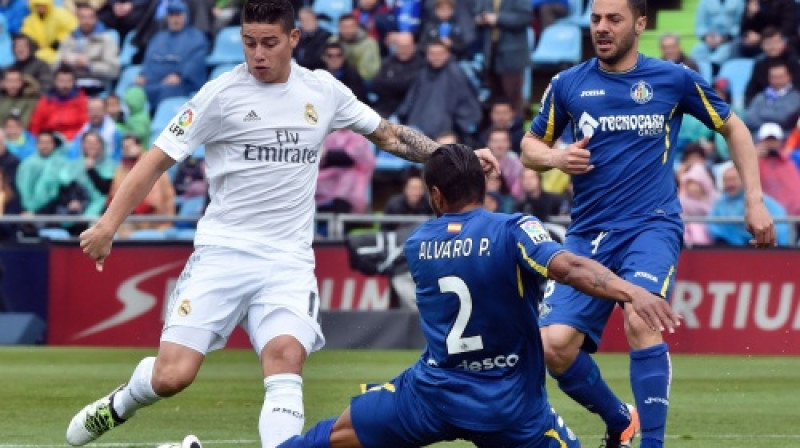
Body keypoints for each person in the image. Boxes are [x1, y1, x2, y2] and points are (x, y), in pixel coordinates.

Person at [65, 2, 499, 448]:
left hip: (286, 260)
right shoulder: (220, 95)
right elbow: (155, 160)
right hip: (223, 253)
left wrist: (457, 155)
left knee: (286, 358)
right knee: (172, 376)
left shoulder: (323, 92)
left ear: (293, 39)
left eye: (269, 43)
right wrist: (108, 226)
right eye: (249, 43)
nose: (258, 54)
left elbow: (389, 135)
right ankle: (119, 405)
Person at [274, 144, 680, 448]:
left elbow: (456, 216)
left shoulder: (418, 244)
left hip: (430, 396)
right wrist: (631, 292)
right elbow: (570, 268)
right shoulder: (514, 229)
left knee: (333, 436)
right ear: (484, 186)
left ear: (435, 195)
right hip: (509, 409)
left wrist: (461, 164)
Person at [520, 0, 776, 447]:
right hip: (587, 233)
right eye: (597, 19)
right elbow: (529, 146)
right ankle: (621, 419)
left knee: (642, 316)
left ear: (640, 24)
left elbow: (735, 128)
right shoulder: (567, 84)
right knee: (553, 347)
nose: (602, 28)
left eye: (613, 19)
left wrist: (754, 202)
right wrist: (557, 156)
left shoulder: (673, 79)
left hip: (650, 227)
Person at [136, 0, 209, 110]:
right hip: (153, 82)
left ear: (186, 16)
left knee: (166, 92)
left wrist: (180, 75)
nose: (175, 19)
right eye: (171, 15)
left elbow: (195, 62)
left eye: (178, 15)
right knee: (134, 91)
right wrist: (143, 74)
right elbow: (149, 60)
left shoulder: (196, 38)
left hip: (181, 85)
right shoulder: (158, 37)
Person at [708, 161, 790, 246]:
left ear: (743, 180)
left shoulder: (761, 200)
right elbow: (714, 228)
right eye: (726, 180)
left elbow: (781, 229)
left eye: (733, 179)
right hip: (729, 251)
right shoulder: (720, 203)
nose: (730, 184)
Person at [55, 3, 121, 96]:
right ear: (77, 19)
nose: (86, 21)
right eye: (83, 17)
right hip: (70, 86)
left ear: (96, 19)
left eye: (90, 17)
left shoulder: (106, 39)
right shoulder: (70, 38)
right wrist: (64, 62)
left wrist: (90, 65)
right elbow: (55, 65)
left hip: (97, 86)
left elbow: (114, 70)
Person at [20, 0, 78, 65]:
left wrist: (58, 41)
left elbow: (73, 29)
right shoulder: (29, 20)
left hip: (61, 50)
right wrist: (35, 45)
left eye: (43, 5)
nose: (41, 7)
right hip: (39, 52)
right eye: (38, 5)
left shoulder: (60, 14)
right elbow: (26, 35)